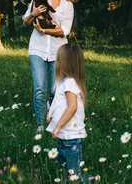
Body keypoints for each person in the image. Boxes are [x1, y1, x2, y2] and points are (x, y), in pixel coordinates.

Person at [22, 0, 78, 130]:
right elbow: (25, 22)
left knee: (55, 90)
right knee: (39, 87)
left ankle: (53, 118)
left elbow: (65, 30)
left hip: (58, 51)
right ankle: (41, 124)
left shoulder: (68, 6)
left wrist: (46, 31)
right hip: (37, 49)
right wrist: (33, 14)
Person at [46, 43, 88, 181]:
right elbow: (58, 103)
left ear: (64, 64)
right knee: (68, 172)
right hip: (64, 138)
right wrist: (51, 115)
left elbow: (72, 107)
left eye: (58, 60)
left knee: (76, 173)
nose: (56, 63)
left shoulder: (70, 83)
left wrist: (57, 126)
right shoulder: (62, 83)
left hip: (72, 138)